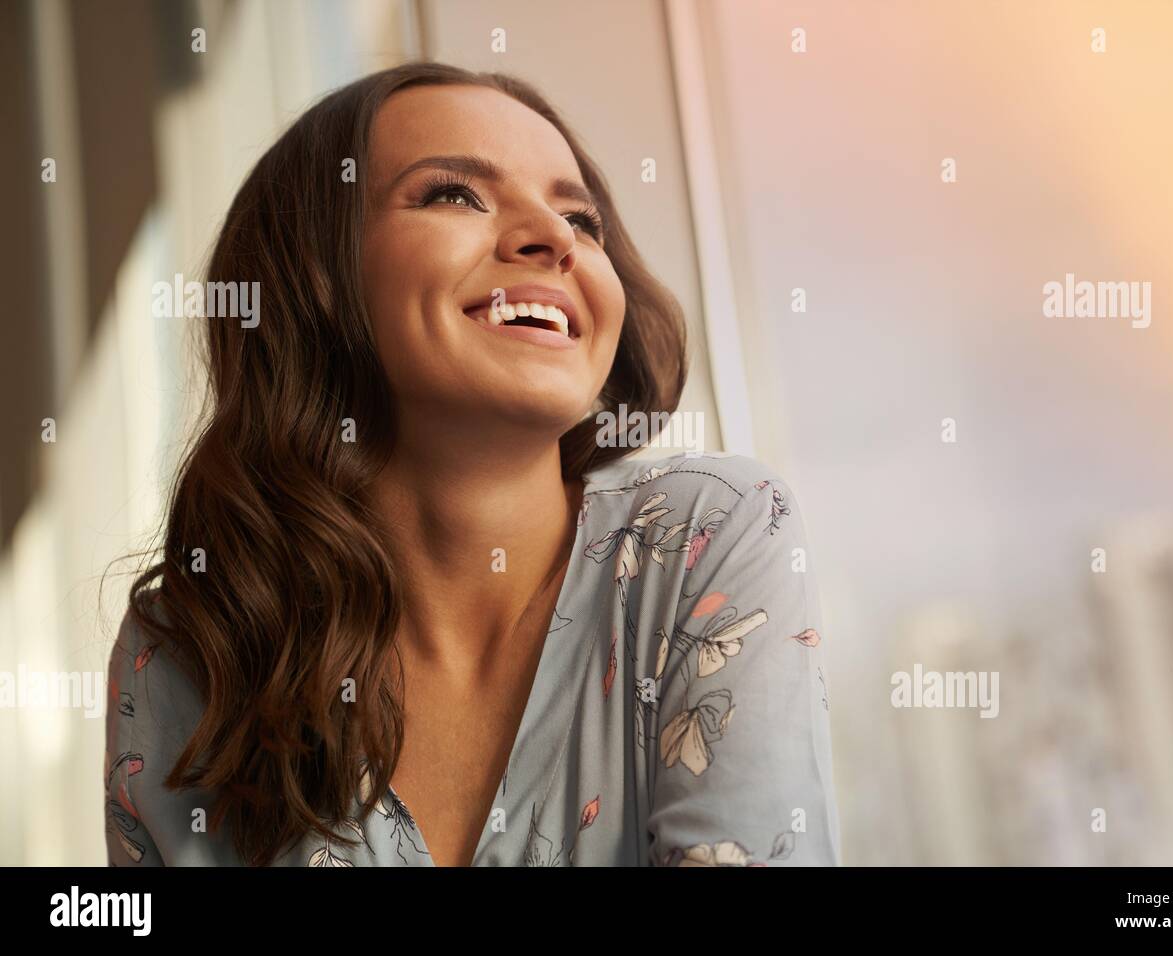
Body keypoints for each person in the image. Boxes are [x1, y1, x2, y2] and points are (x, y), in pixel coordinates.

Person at [104, 62, 839, 867]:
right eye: (453, 194)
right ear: (315, 279)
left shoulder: (708, 537)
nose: (554, 239)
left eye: (582, 220)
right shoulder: (191, 646)